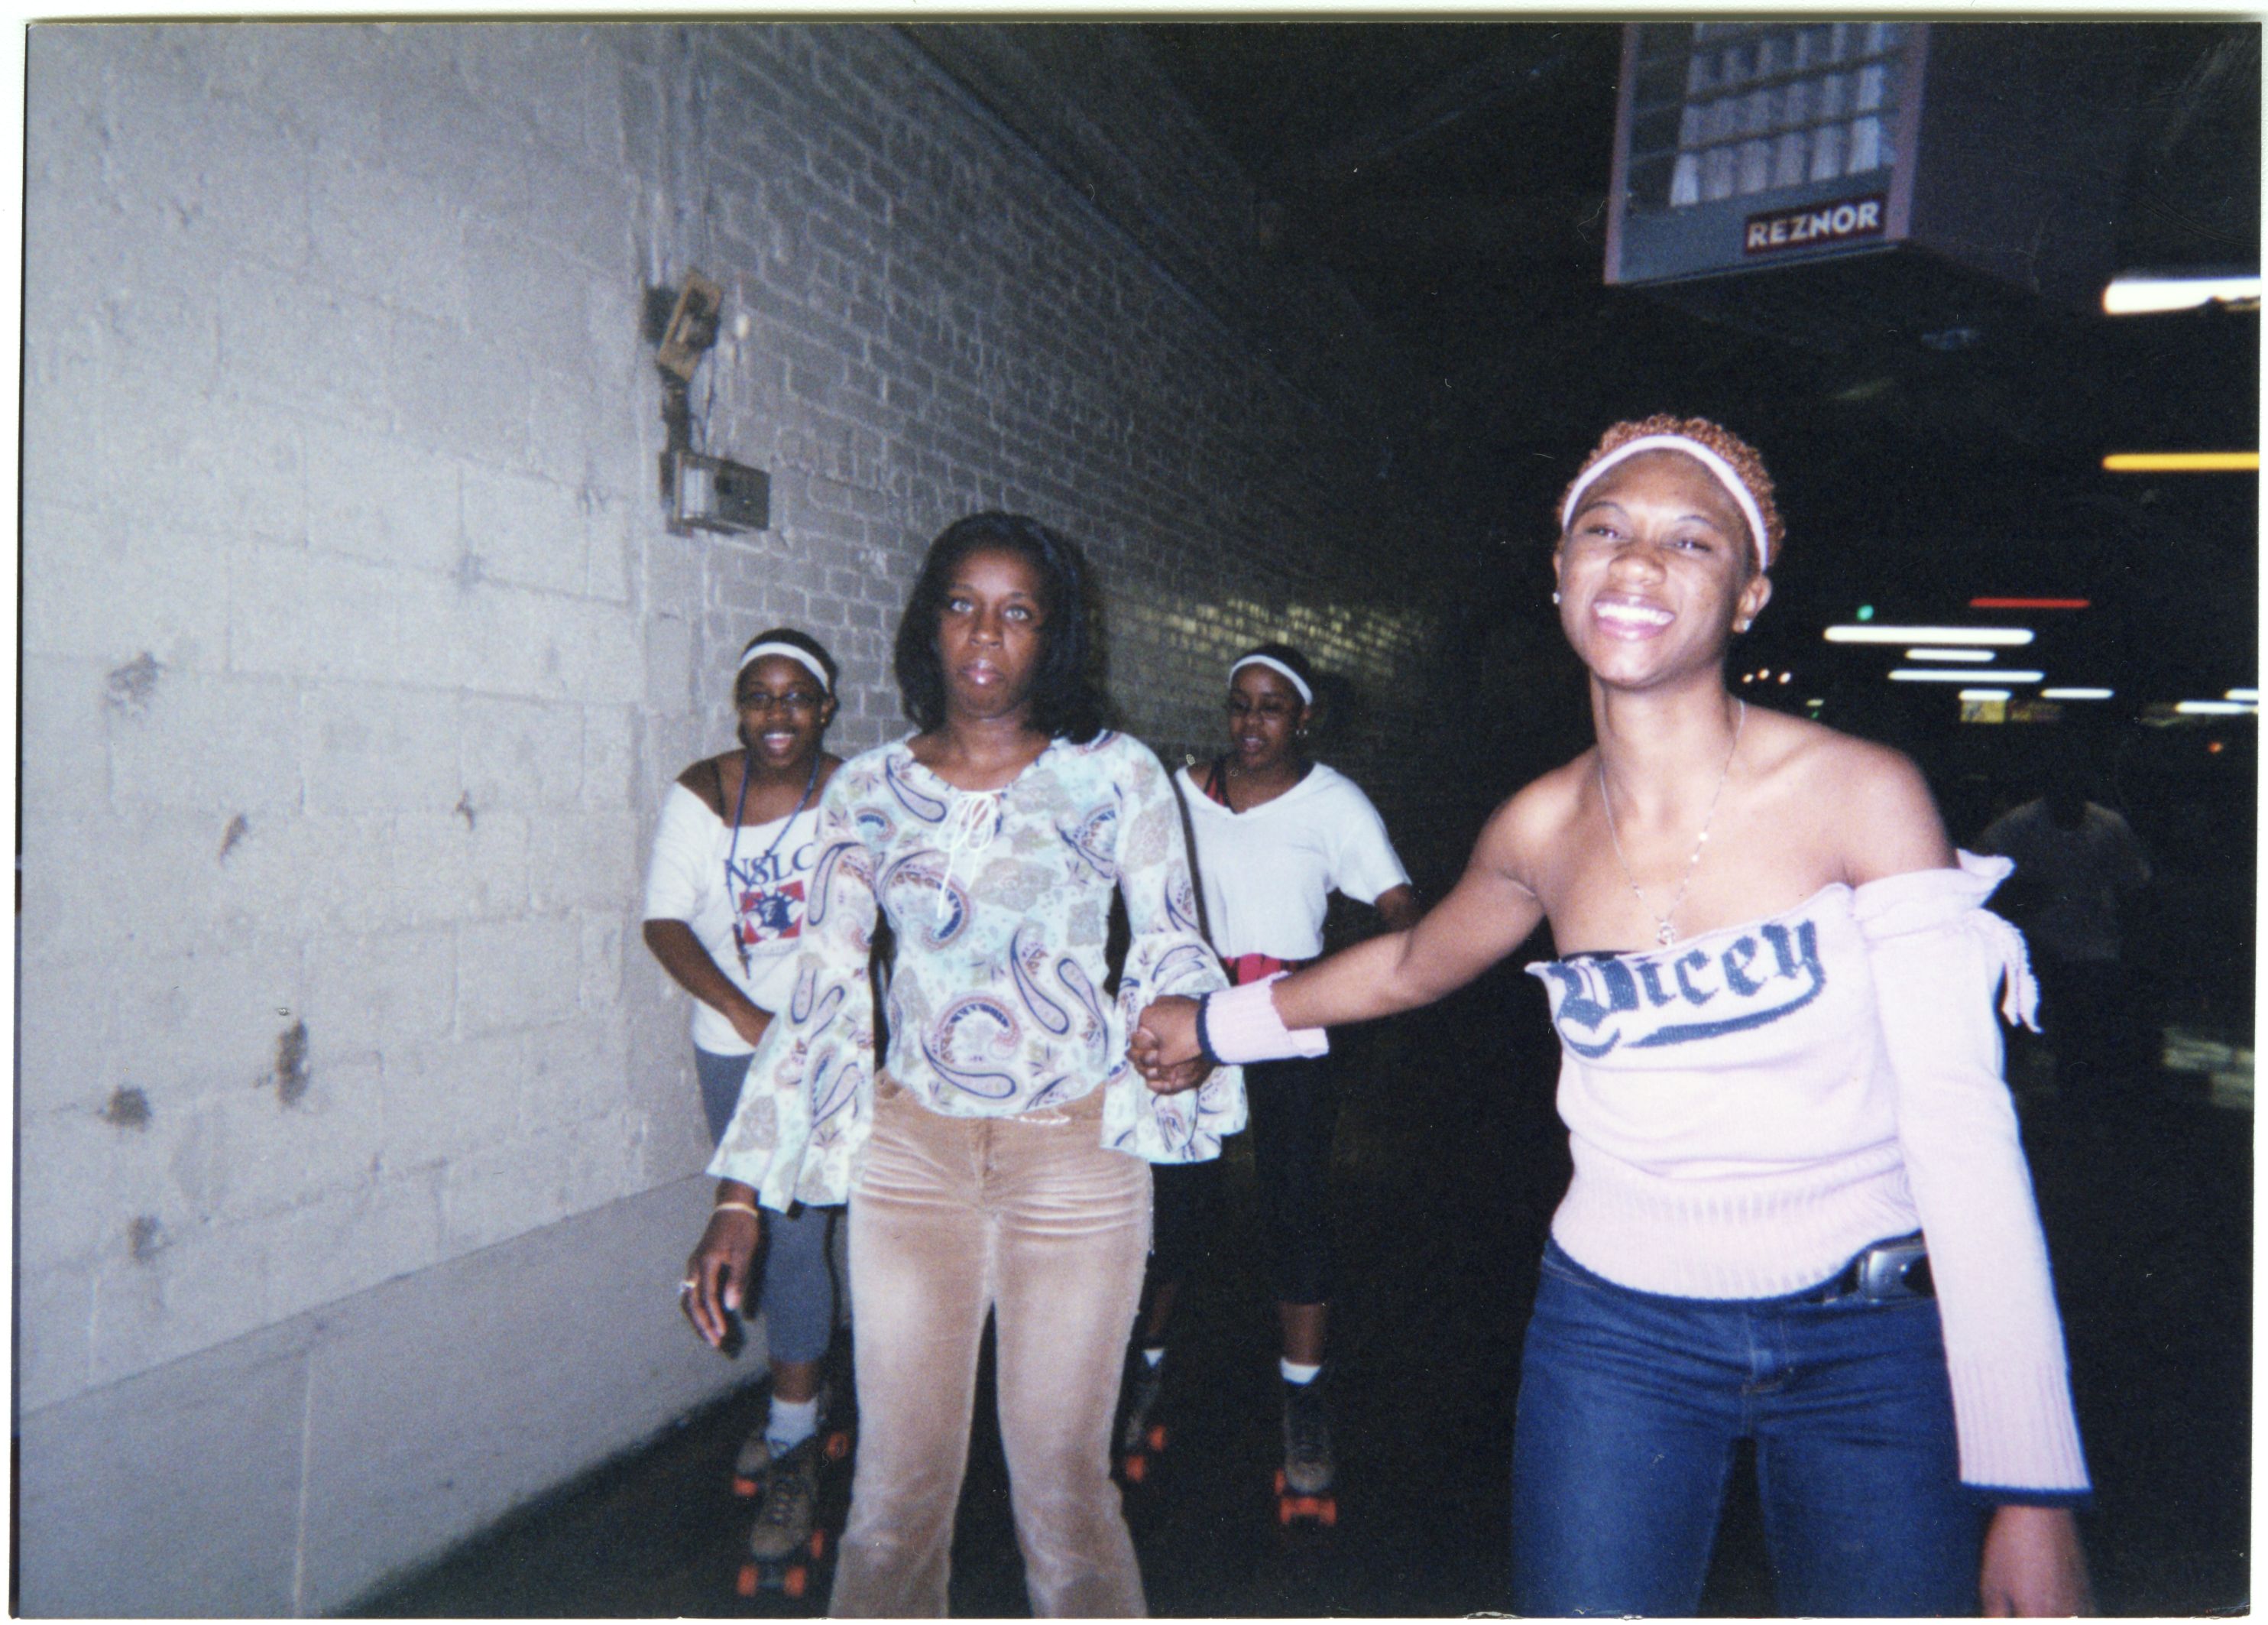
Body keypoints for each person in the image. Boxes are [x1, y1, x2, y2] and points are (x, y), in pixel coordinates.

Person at [1133, 416, 2094, 1617]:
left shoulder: (1861, 793)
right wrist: (1212, 1024)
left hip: (1868, 1342)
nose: (1637, 559)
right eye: (1605, 529)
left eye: (1691, 541)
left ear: (1748, 596)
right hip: (1618, 1333)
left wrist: (2032, 1485)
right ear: (1561, 573)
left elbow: (1962, 1127)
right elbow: (1413, 963)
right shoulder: (1539, 826)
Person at [681, 512, 1240, 1617]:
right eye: (962, 606)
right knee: (893, 1497)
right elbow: (821, 986)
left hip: (1075, 1158)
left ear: (1053, 634)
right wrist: (738, 1193)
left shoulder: (1115, 773)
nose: (986, 634)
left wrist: (1182, 1034)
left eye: (1017, 612)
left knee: (1065, 1490)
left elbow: (1173, 936)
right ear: (928, 625)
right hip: (911, 1158)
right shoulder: (867, 790)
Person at [1126, 642, 1419, 1507]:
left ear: (1303, 718)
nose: (1251, 722)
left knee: (1295, 1203)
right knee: (1174, 1207)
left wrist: (1365, 975)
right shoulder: (1179, 794)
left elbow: (1401, 908)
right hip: (1189, 1014)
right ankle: (1144, 1369)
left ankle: (1303, 1396)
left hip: (1286, 1017)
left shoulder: (1336, 803)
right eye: (1239, 704)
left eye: (1271, 707)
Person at [643, 628, 845, 1566]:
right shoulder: (702, 790)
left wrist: (813, 1026)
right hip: (732, 1047)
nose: (777, 713)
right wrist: (741, 1009)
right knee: (753, 1219)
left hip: (822, 1049)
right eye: (759, 695)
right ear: (738, 707)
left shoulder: (850, 791)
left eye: (796, 695)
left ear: (825, 707)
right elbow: (664, 921)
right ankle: (801, 1405)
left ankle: (794, 1441)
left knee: (794, 1235)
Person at [1978, 752, 2152, 1117]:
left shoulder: (2109, 826)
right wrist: (2020, 898)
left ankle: (2080, 1102)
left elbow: (2134, 884)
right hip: (2035, 946)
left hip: (2094, 947)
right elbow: (1980, 867)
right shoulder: (2018, 826)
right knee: (2025, 1027)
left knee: (2085, 1031)